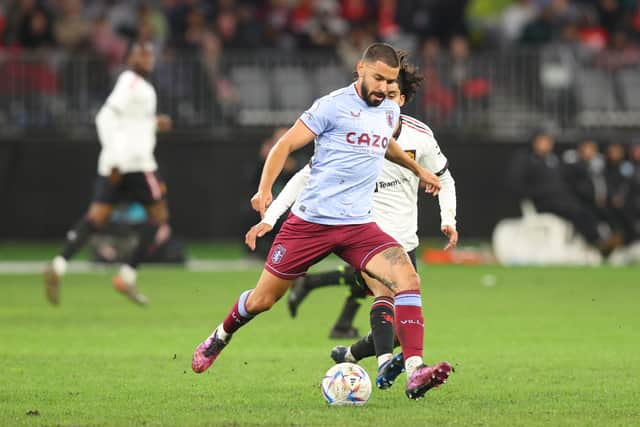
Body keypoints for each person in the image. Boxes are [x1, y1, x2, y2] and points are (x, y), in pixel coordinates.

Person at [191, 43, 452, 400]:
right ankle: (219, 336)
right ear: (359, 69)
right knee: (263, 300)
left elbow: (386, 144)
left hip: (359, 226)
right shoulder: (332, 106)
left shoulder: (388, 110)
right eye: (377, 78)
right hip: (310, 224)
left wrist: (418, 168)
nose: (382, 88)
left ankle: (415, 371)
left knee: (407, 278)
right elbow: (283, 145)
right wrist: (264, 190)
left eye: (389, 81)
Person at [262, 52, 457, 364]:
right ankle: (388, 367)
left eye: (393, 94)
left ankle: (349, 354)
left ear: (402, 100)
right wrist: (271, 216)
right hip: (363, 234)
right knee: (381, 295)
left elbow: (445, 179)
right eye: (382, 91)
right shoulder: (353, 131)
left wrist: (448, 218)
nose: (384, 98)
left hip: (404, 242)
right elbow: (304, 177)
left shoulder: (419, 138)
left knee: (396, 333)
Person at [43, 42, 172, 306]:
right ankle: (127, 275)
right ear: (130, 59)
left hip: (115, 164)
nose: (147, 58)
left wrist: (153, 123)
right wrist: (116, 157)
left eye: (149, 53)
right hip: (135, 164)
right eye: (141, 53)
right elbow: (105, 117)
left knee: (96, 218)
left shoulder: (137, 86)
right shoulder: (132, 82)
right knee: (159, 217)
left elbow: (129, 122)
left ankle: (58, 265)